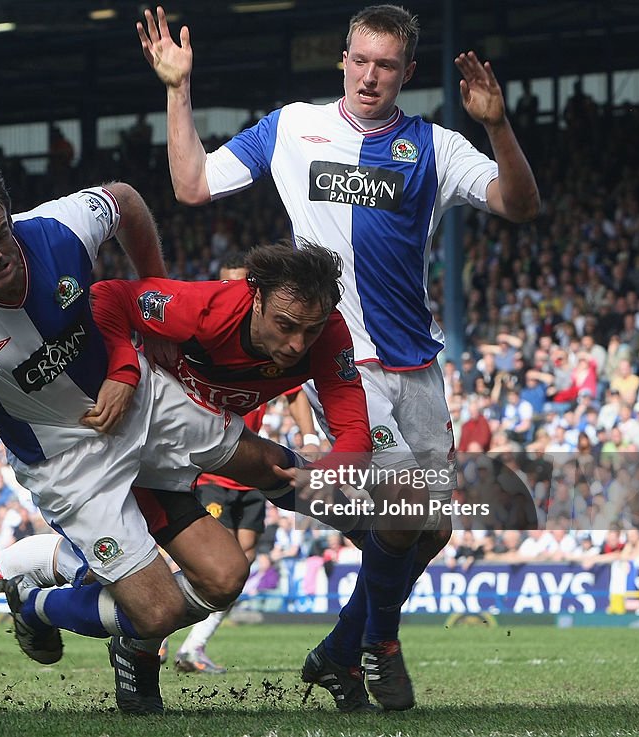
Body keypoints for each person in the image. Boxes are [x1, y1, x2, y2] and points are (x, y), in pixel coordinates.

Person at [138, 3, 539, 711]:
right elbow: (193, 184)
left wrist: (497, 126)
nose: (371, 76)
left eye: (387, 65)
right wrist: (178, 89)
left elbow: (519, 204)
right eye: (361, 59)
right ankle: (376, 648)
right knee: (407, 507)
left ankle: (337, 651)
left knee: (432, 529)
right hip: (340, 360)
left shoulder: (436, 148)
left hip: (417, 365)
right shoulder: (293, 126)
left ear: (407, 73)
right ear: (343, 61)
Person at [0, 163, 313, 716]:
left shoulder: (58, 228)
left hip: (142, 403)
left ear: (11, 217)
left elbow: (125, 198)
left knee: (236, 551)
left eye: (0, 234)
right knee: (156, 614)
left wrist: (157, 295)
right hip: (69, 466)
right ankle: (37, 604)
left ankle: (383, 529)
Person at [0, 240, 373, 698]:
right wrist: (125, 369)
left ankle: (377, 550)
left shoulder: (326, 333)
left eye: (308, 331)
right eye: (285, 325)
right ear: (255, 298)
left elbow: (353, 424)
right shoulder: (206, 307)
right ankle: (46, 608)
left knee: (229, 574)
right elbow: (107, 295)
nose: (296, 344)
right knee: (153, 608)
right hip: (144, 432)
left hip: (200, 434)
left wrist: (334, 469)